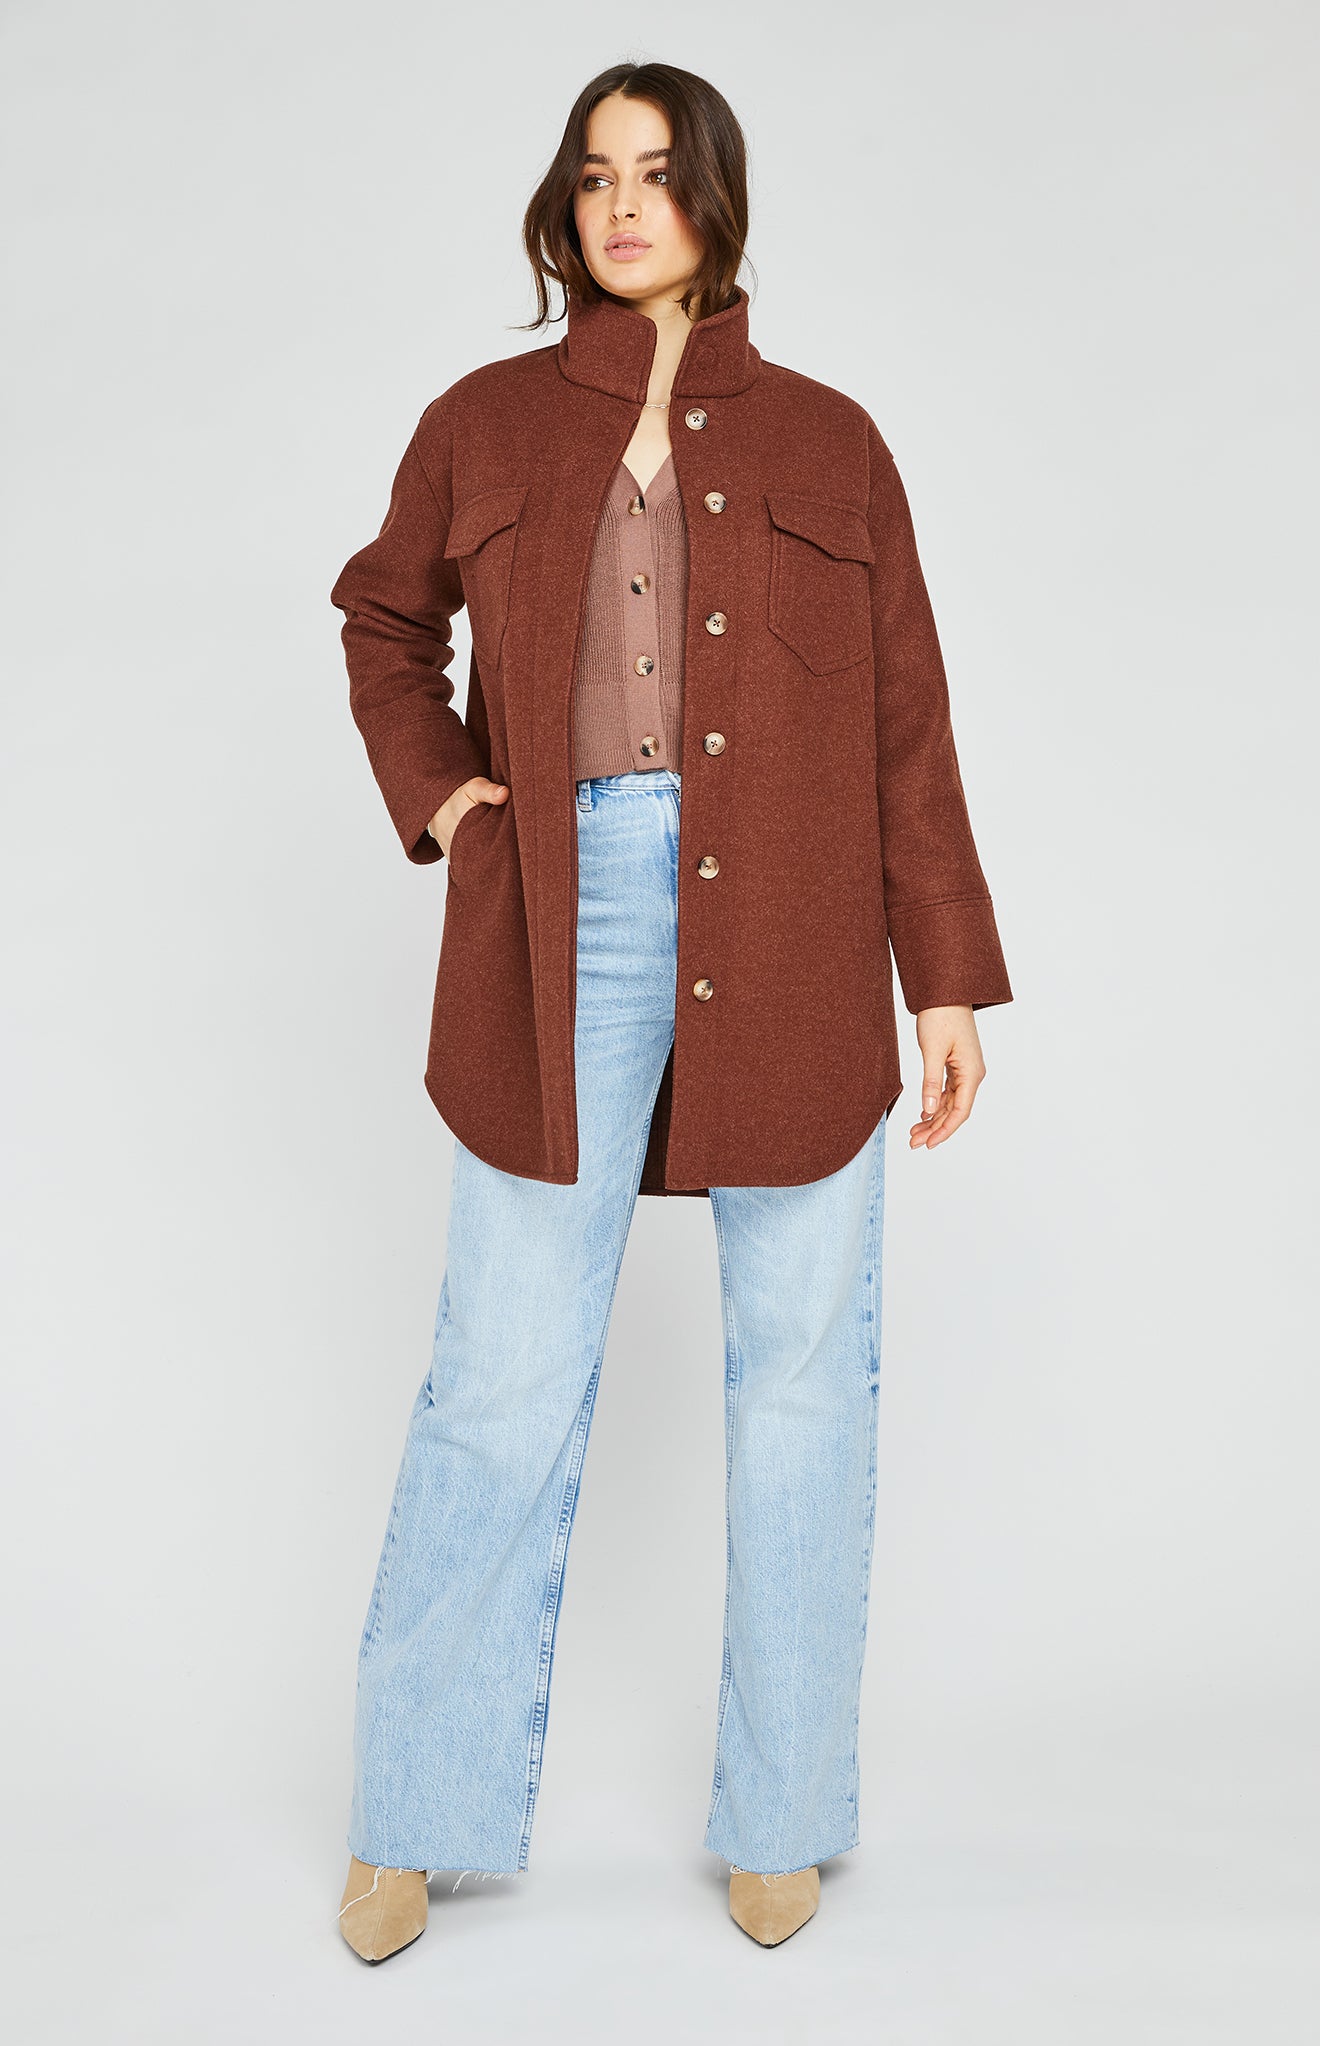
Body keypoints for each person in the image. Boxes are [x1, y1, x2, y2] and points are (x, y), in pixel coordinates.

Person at [329, 60, 1013, 1962]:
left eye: (657, 173)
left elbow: (906, 723)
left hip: (795, 916)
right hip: (555, 916)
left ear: (715, 198)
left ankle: (783, 1811)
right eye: (593, 175)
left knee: (802, 1378)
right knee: (500, 1375)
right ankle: (415, 1806)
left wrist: (947, 970)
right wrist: (450, 800)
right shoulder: (480, 422)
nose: (623, 204)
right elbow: (385, 622)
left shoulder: (833, 441)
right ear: (565, 209)